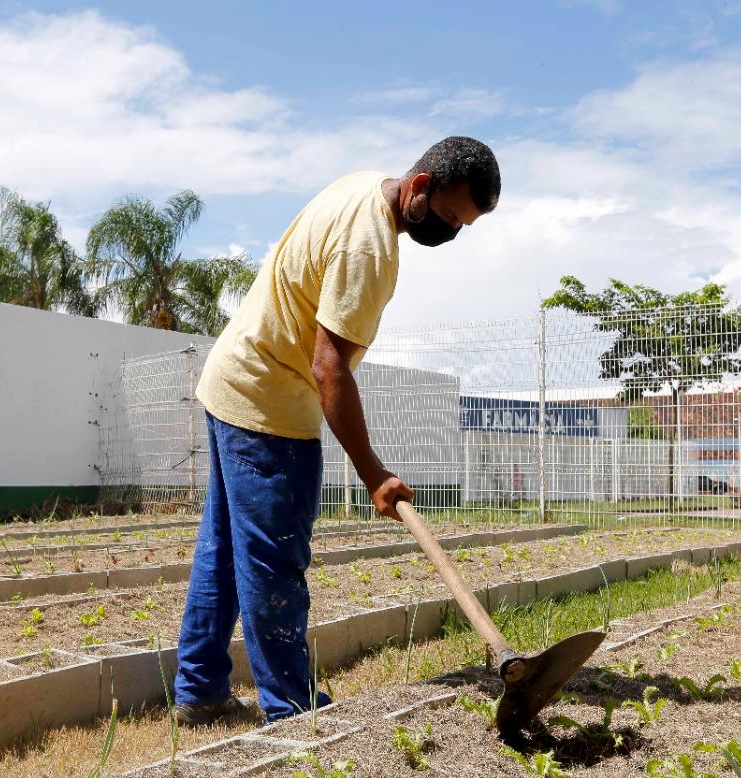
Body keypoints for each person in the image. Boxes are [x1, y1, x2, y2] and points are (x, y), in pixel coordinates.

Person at [170, 137, 501, 725]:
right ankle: (293, 712)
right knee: (274, 561)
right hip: (268, 406)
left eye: (463, 226)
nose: (450, 233)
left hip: (233, 379)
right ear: (420, 185)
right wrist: (374, 473)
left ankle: (199, 692)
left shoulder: (361, 184)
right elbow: (329, 368)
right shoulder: (370, 251)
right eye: (450, 217)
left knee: (223, 552)